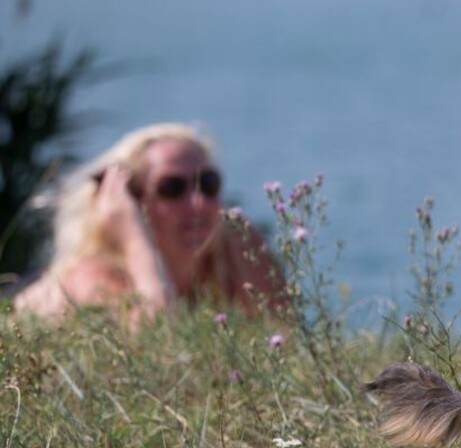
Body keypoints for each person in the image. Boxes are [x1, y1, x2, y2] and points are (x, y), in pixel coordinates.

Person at [13, 122, 286, 321]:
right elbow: (155, 353)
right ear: (131, 201)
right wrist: (134, 238)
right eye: (172, 188)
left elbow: (285, 334)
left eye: (208, 184)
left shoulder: (222, 263)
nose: (198, 202)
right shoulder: (93, 277)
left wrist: (250, 247)